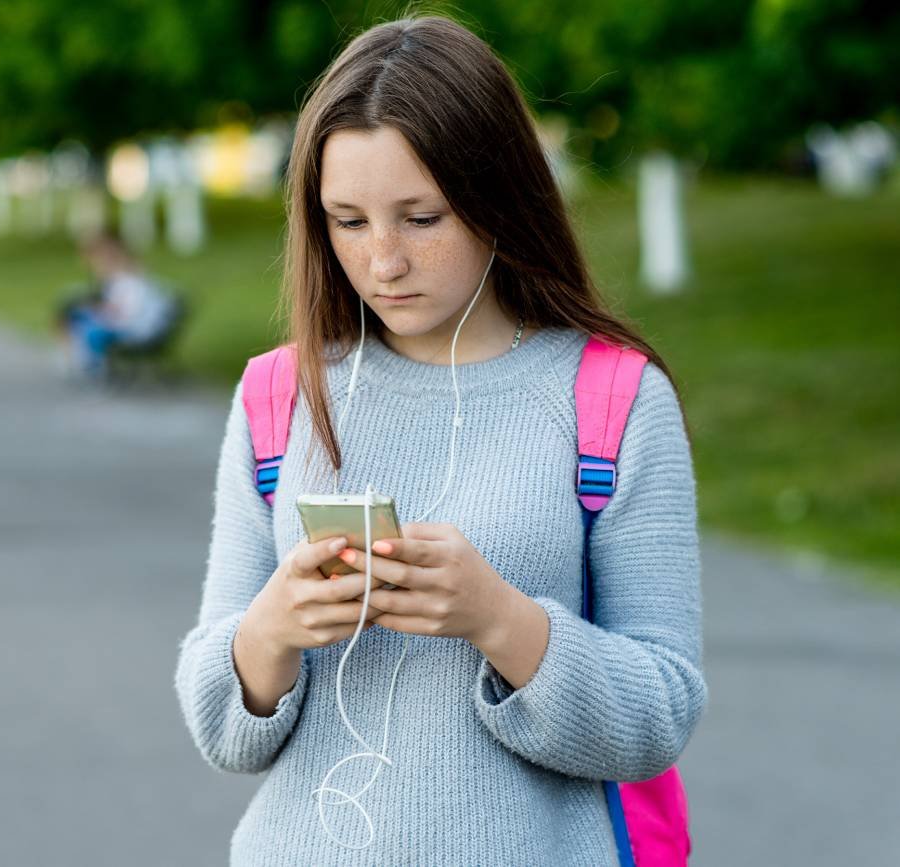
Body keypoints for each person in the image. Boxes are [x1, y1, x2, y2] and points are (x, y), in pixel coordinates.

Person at [174, 17, 706, 865]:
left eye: (421, 217)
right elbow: (220, 729)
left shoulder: (612, 397)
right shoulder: (279, 394)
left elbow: (660, 714)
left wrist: (500, 619)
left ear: (498, 195)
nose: (383, 260)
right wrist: (269, 630)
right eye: (347, 221)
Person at [55, 230, 176, 381]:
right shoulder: (125, 282)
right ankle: (80, 360)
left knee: (85, 324)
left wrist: (100, 309)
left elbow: (125, 312)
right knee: (75, 315)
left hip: (133, 328)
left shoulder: (131, 284)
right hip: (130, 324)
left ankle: (86, 363)